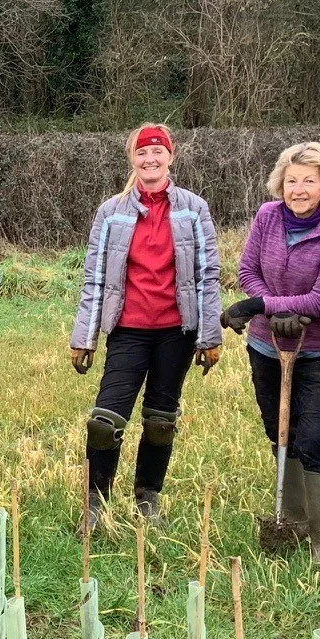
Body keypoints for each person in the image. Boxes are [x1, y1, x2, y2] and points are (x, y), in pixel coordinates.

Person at [68, 125, 223, 524]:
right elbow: (95, 277)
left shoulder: (194, 208)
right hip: (128, 330)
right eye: (142, 153)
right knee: (105, 422)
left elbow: (208, 275)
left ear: (171, 157)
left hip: (177, 331)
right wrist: (83, 336)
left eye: (158, 152)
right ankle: (95, 504)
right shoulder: (111, 211)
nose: (150, 159)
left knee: (160, 420)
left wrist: (210, 336)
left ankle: (147, 499)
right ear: (132, 159)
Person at [221, 141, 320, 562]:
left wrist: (262, 306)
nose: (298, 189)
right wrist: (273, 308)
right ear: (281, 183)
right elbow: (248, 270)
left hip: (317, 350)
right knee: (279, 431)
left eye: (309, 181)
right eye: (291, 180)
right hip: (265, 345)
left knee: (313, 437)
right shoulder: (266, 216)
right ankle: (292, 525)